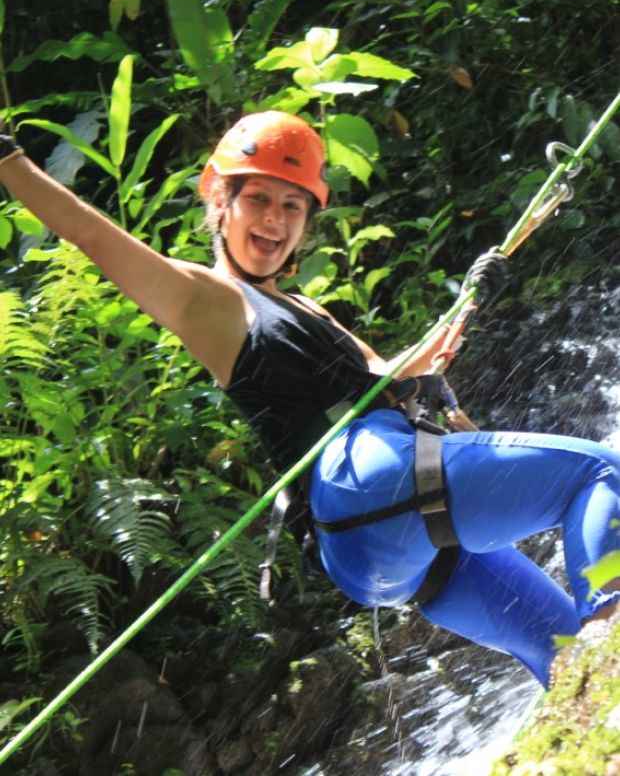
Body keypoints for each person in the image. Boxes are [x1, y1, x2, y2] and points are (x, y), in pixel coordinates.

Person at [0, 111, 618, 689]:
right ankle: (609, 630)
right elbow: (87, 231)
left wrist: (474, 295)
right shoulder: (205, 299)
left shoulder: (306, 309)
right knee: (596, 472)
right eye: (259, 199)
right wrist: (9, 160)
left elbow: (396, 376)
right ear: (222, 202)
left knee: (563, 653)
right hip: (368, 477)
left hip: (372, 550)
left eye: (292, 205)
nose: (275, 218)